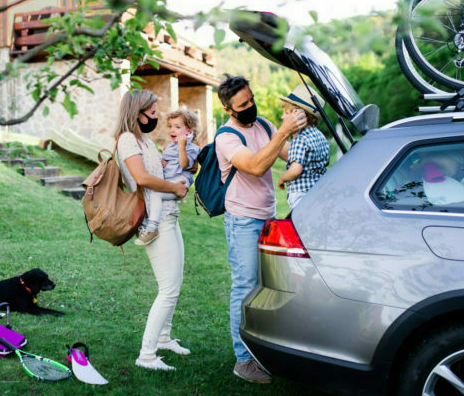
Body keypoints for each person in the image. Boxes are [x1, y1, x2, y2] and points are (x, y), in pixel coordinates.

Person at [214, 74, 306, 384]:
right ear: (229, 109)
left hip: (268, 218)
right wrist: (282, 131)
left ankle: (264, 348)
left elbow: (290, 154)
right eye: (243, 104)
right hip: (242, 221)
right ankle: (243, 361)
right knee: (245, 286)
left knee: (269, 287)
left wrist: (304, 133)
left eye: (252, 99)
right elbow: (255, 166)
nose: (250, 106)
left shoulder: (264, 125)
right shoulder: (226, 137)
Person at [114, 89, 192, 371]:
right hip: (154, 223)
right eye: (153, 112)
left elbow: (156, 172)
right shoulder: (126, 140)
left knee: (175, 283)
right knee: (168, 288)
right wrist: (174, 187)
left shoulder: (142, 140)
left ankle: (163, 338)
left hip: (169, 216)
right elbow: (142, 178)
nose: (157, 117)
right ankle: (146, 355)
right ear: (138, 113)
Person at [135, 108, 202, 246]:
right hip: (172, 179)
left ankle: (152, 228)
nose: (172, 130)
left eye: (177, 127)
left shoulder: (191, 147)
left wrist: (182, 147)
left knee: (155, 195)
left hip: (180, 181)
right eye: (170, 126)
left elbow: (184, 164)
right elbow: (170, 163)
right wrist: (163, 163)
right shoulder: (172, 146)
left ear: (189, 131)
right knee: (153, 194)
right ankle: (148, 223)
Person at [276, 85, 331, 209]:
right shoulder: (320, 135)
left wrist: (283, 179)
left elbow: (295, 170)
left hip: (301, 195)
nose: (282, 117)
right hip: (319, 192)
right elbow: (326, 161)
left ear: (298, 115)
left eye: (286, 113)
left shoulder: (299, 140)